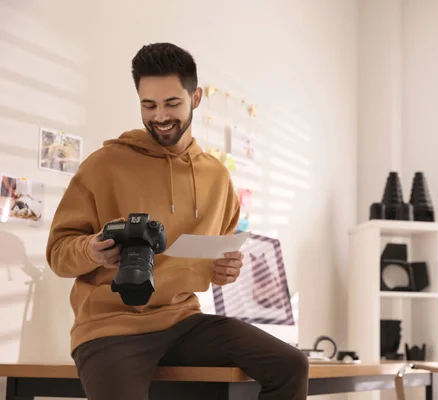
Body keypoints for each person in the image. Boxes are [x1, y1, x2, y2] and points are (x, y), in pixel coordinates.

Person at [46, 42, 309, 400]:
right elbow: (59, 253)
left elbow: (215, 259)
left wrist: (225, 270)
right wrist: (92, 250)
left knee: (290, 364)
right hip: (111, 326)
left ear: (196, 97)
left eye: (172, 103)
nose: (160, 117)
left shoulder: (217, 177)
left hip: (183, 321)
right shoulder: (104, 164)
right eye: (148, 105)